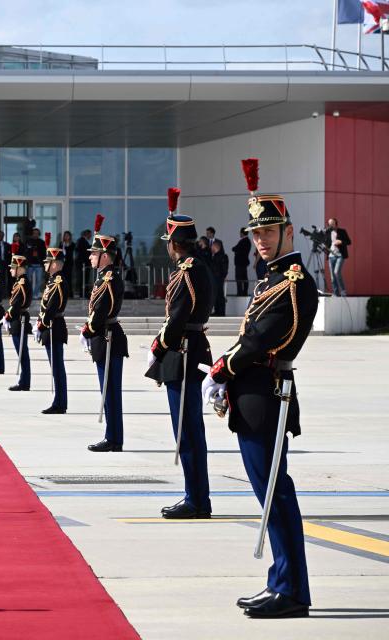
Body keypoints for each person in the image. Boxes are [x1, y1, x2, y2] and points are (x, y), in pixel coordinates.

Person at [203, 157, 318, 619]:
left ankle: (290, 589)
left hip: (267, 394)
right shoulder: (270, 278)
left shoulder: (294, 283)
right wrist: (227, 372)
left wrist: (221, 369)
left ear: (288, 230)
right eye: (255, 234)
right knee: (269, 491)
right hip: (251, 394)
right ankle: (282, 581)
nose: (261, 241)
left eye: (268, 232)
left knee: (275, 493)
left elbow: (263, 338)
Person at [145, 188, 214, 520]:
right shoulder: (197, 266)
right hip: (190, 349)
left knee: (187, 432)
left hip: (183, 353)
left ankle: (196, 499)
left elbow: (178, 318)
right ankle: (197, 495)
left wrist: (159, 346)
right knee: (190, 431)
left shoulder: (188, 270)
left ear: (174, 242)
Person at [81, 215, 128, 452]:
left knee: (110, 391)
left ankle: (114, 438)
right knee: (107, 390)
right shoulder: (103, 277)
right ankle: (113, 435)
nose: (90, 257)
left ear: (105, 256)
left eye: (93, 253)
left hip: (108, 337)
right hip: (104, 336)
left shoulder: (108, 279)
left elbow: (101, 310)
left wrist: (88, 329)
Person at [37, 245, 69, 414]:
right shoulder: (52, 280)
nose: (44, 265)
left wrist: (42, 322)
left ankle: (60, 403)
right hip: (50, 326)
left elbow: (52, 306)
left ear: (55, 264)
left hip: (54, 326)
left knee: (57, 367)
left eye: (47, 262)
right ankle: (59, 401)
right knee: (55, 367)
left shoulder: (58, 281)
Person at [5, 252, 31, 391]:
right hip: (17, 319)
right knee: (21, 353)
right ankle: (24, 380)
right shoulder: (19, 282)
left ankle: (24, 381)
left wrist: (8, 315)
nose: (10, 270)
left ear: (19, 268)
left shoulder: (22, 282)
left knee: (22, 353)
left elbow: (17, 304)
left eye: (12, 267)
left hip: (19, 319)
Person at [324, 217, 351, 296]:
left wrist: (341, 241)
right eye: (329, 224)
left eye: (332, 223)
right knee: (332, 277)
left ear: (336, 223)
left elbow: (349, 242)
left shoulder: (342, 231)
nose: (330, 225)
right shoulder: (328, 232)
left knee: (336, 272)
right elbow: (326, 243)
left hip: (340, 255)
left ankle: (343, 291)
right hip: (331, 256)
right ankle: (336, 294)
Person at [22, 228, 44, 295]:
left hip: (39, 264)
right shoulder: (28, 242)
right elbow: (25, 252)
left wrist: (43, 263)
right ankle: (29, 294)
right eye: (34, 233)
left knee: (39, 281)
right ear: (32, 234)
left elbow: (44, 253)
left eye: (37, 233)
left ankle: (35, 294)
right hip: (30, 264)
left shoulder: (41, 242)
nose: (35, 234)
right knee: (28, 280)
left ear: (39, 234)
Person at [232, 227, 252, 297]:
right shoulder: (247, 241)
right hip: (244, 262)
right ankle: (244, 292)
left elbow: (235, 248)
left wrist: (236, 250)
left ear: (242, 233)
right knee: (244, 278)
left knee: (239, 278)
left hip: (240, 263)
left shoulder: (243, 241)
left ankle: (240, 293)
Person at [211, 239, 229, 316]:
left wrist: (222, 276)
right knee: (216, 295)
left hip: (218, 278)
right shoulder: (214, 256)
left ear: (216, 246)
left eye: (212, 246)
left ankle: (220, 311)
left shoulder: (223, 256)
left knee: (220, 295)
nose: (211, 247)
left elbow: (224, 268)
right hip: (215, 278)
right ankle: (217, 310)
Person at [74, 229, 92, 297]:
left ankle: (85, 292)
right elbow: (82, 251)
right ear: (86, 234)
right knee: (82, 278)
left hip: (85, 263)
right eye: (90, 235)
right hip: (82, 263)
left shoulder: (84, 241)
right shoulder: (81, 241)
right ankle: (82, 293)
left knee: (85, 278)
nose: (90, 236)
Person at [60, 230, 74, 297]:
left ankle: (70, 293)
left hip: (69, 263)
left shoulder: (72, 244)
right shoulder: (61, 244)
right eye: (65, 235)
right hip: (62, 263)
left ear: (70, 237)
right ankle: (62, 293)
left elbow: (71, 252)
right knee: (62, 278)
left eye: (67, 235)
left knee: (69, 278)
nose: (66, 237)